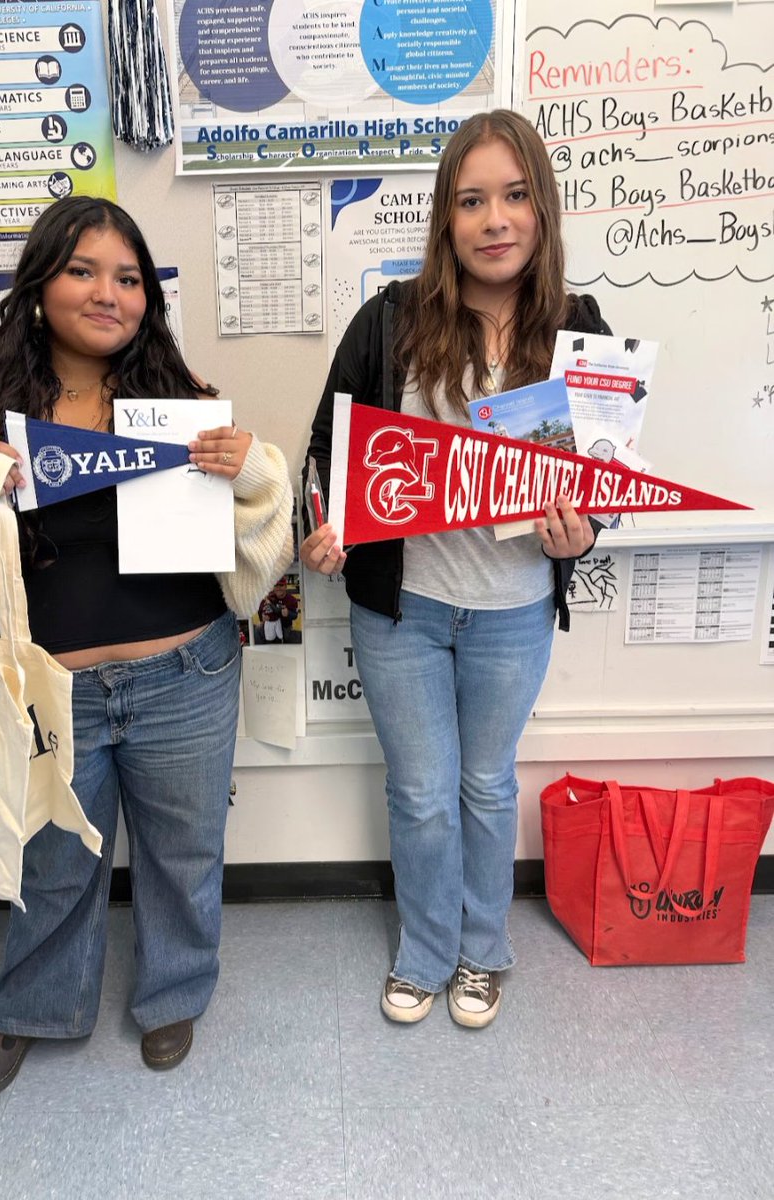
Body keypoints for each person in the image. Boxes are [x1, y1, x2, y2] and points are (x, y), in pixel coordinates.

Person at [0, 196, 293, 1099]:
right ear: (38, 284)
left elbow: (263, 533)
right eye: (83, 271)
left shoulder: (174, 401)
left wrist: (250, 467)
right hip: (52, 688)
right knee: (53, 861)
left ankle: (174, 992)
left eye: (130, 277)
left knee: (185, 852)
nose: (109, 293)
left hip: (188, 671)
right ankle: (32, 1006)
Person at [301, 111, 610, 1028]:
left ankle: (483, 952)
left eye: (514, 196)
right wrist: (324, 528)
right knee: (422, 792)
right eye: (471, 201)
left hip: (512, 607)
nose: (494, 219)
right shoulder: (391, 318)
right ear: (445, 218)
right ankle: (426, 952)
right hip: (405, 609)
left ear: (541, 210)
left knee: (484, 784)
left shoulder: (580, 329)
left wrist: (581, 533)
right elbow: (328, 454)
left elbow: (605, 478)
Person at [258, 576, 299, 643]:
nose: (278, 588)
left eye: (281, 585)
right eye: (276, 585)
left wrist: (288, 613)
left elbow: (295, 615)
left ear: (285, 586)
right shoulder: (269, 597)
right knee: (258, 630)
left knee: (287, 638)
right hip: (270, 624)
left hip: (285, 626)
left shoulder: (292, 600)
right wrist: (262, 617)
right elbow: (261, 609)